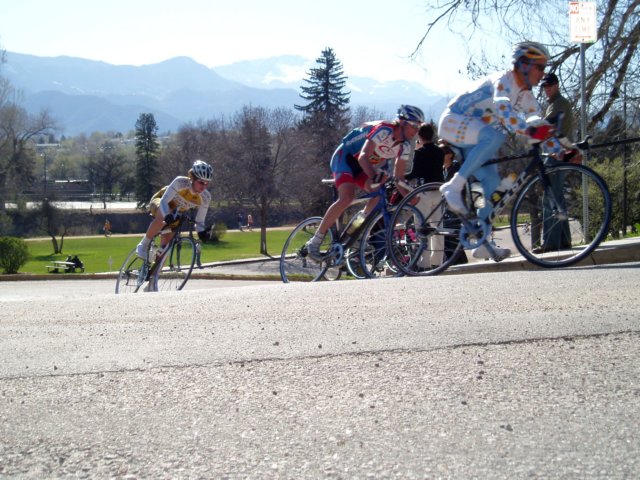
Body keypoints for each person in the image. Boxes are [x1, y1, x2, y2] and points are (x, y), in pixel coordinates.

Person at [437, 41, 567, 261]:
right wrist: (529, 130)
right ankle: (452, 187)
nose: (543, 74)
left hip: (474, 135)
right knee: (496, 136)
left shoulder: (526, 94)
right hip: (453, 122)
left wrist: (559, 149)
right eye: (540, 67)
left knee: (491, 183)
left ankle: (482, 242)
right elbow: (504, 110)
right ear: (524, 65)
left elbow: (536, 120)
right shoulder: (502, 82)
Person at [304, 105, 425, 260]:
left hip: (362, 167)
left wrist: (410, 198)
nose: (416, 131)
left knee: (378, 196)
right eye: (414, 125)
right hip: (345, 158)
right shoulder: (384, 131)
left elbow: (399, 178)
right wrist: (374, 175)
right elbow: (363, 156)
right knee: (347, 197)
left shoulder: (405, 146)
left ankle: (355, 232)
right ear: (402, 123)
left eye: (419, 126)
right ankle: (315, 241)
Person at [135, 160, 214, 260]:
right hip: (160, 201)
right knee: (167, 212)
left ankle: (154, 274)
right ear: (193, 178)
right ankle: (143, 244)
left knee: (165, 250)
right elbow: (163, 202)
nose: (204, 186)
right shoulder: (180, 182)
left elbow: (200, 221)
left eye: (207, 183)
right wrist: (167, 215)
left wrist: (202, 233)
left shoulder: (206, 197)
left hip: (175, 213)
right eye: (201, 182)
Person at [533, 72, 575, 253]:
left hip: (556, 155)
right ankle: (564, 240)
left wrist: (531, 132)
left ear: (557, 85)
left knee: (550, 199)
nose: (547, 89)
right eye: (544, 86)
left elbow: (548, 125)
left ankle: (550, 243)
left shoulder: (559, 104)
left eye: (549, 85)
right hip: (556, 154)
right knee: (557, 198)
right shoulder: (555, 103)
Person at [404, 123, 445, 269]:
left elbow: (415, 173)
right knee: (437, 227)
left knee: (422, 227)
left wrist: (401, 176)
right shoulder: (439, 152)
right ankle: (437, 261)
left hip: (424, 192)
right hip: (438, 191)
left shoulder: (420, 152)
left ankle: (424, 262)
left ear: (419, 136)